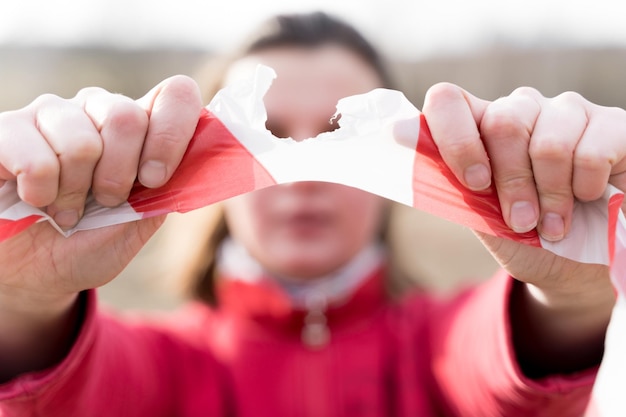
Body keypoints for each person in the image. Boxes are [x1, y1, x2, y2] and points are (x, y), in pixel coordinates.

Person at [0, 11, 621, 417]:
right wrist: (22, 302)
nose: (306, 173)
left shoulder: (440, 344)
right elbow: (71, 391)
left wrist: (575, 298)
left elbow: (503, 374)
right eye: (264, 136)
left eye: (340, 134)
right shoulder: (160, 366)